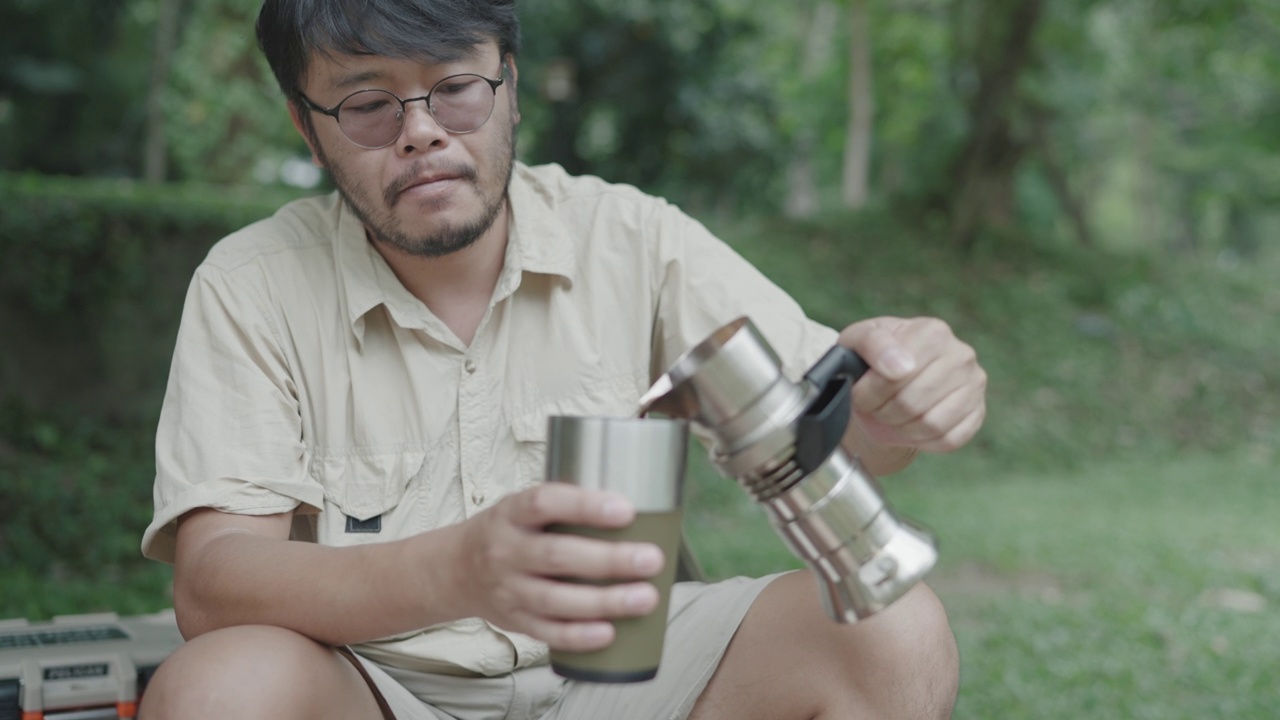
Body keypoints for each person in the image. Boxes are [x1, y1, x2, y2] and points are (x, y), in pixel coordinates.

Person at [138, 1, 987, 718]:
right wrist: (460, 568)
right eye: (367, 105)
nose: (421, 134)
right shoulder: (252, 284)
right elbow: (214, 584)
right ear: (306, 126)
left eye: (458, 90)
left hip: (622, 677)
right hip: (373, 686)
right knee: (222, 686)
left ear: (510, 84)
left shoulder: (631, 237)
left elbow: (837, 426)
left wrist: (898, 404)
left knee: (894, 629)